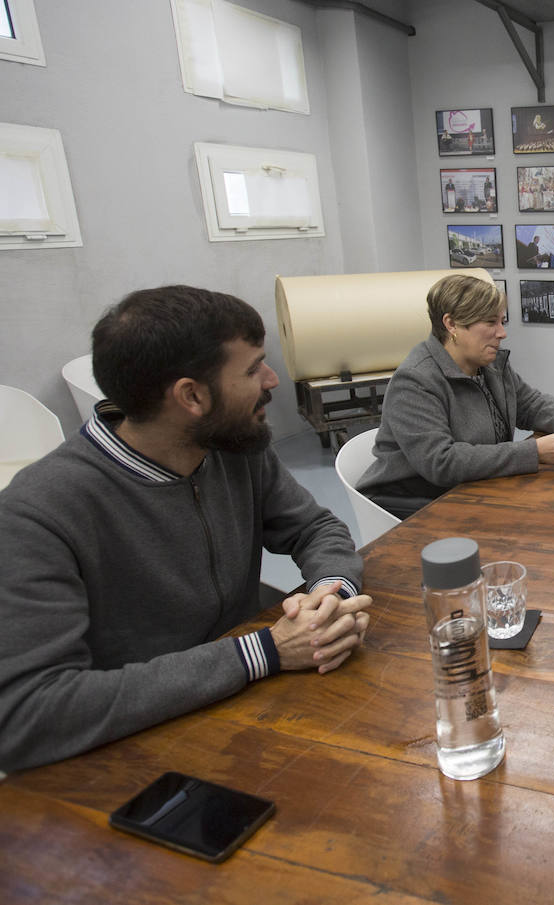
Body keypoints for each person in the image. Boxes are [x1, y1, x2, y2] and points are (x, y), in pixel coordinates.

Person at [0, 286, 371, 772]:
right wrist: (265, 651)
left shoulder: (233, 444)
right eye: (252, 368)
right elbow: (30, 715)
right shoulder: (36, 515)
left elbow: (315, 527)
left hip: (252, 716)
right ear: (191, 396)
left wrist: (330, 594)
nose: (272, 378)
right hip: (133, 760)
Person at [359, 272, 554, 519]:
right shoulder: (415, 381)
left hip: (469, 487)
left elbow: (526, 403)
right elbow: (442, 462)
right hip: (411, 503)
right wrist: (533, 452)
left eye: (502, 322)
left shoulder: (487, 364)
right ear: (452, 325)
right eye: (491, 323)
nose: (502, 333)